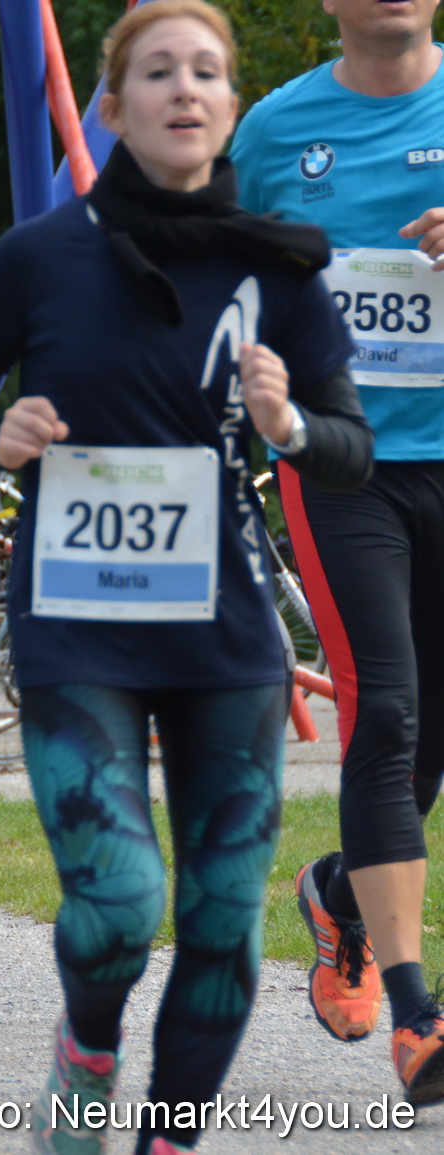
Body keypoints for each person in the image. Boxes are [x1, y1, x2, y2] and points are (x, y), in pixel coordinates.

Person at [0, 4, 375, 1152]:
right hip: (78, 628)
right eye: (157, 72)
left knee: (223, 919)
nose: (185, 88)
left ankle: (169, 1138)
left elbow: (349, 443)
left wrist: (285, 423)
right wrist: (3, 430)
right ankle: (85, 1050)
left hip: (222, 636)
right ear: (113, 109)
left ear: (228, 111)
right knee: (121, 900)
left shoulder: (273, 267)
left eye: (207, 73)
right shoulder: (39, 255)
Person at [229, 0, 444, 1107]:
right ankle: (420, 1016)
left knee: (429, 737)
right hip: (339, 458)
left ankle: (337, 899)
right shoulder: (272, 130)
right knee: (387, 707)